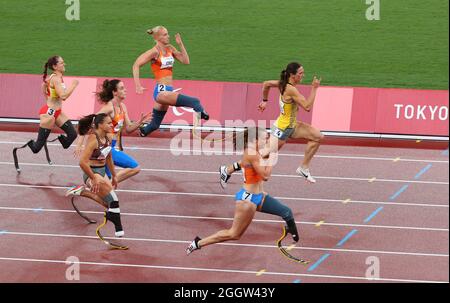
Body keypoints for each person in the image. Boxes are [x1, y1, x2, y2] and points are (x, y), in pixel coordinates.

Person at [186, 127, 300, 255]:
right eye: (264, 138)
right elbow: (266, 176)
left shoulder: (255, 152)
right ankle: (198, 243)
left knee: (286, 212)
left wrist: (282, 138)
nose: (266, 141)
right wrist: (272, 159)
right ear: (256, 140)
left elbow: (271, 148)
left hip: (259, 196)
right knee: (234, 234)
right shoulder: (251, 154)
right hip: (248, 200)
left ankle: (294, 235)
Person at [219, 62, 323, 187]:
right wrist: (314, 88)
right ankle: (227, 169)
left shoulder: (282, 84)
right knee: (262, 155)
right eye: (300, 73)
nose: (303, 75)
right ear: (292, 75)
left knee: (318, 136)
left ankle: (303, 168)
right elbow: (307, 106)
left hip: (292, 126)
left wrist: (264, 100)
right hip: (282, 129)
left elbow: (266, 84)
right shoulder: (291, 89)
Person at [66, 79, 152, 198]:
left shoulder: (123, 107)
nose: (125, 90)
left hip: (110, 148)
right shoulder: (108, 108)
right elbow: (90, 122)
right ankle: (91, 189)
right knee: (134, 168)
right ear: (114, 92)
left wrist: (140, 122)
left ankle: (91, 189)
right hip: (105, 148)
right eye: (122, 88)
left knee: (109, 188)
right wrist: (79, 144)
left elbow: (129, 128)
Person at [132, 25, 209, 137]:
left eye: (167, 33)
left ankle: (142, 132)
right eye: (165, 34)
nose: (168, 36)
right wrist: (138, 86)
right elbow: (136, 65)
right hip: (160, 92)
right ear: (158, 37)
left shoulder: (170, 49)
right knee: (195, 102)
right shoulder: (154, 52)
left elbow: (186, 61)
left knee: (154, 125)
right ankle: (201, 113)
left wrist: (180, 44)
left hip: (168, 90)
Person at [13, 55, 79, 172]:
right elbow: (63, 96)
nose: (65, 64)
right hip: (48, 115)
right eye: (62, 63)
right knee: (36, 148)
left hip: (57, 112)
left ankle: (59, 138)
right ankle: (31, 143)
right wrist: (73, 85)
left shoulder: (55, 77)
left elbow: (43, 86)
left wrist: (49, 97)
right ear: (55, 66)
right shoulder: (56, 79)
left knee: (73, 134)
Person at [76, 113, 124, 238]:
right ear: (100, 125)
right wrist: (93, 178)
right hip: (92, 173)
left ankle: (83, 192)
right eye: (108, 123)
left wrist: (114, 176)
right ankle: (119, 230)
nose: (111, 125)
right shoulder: (93, 140)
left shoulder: (108, 137)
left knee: (108, 204)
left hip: (102, 172)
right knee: (114, 200)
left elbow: (109, 157)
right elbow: (82, 162)